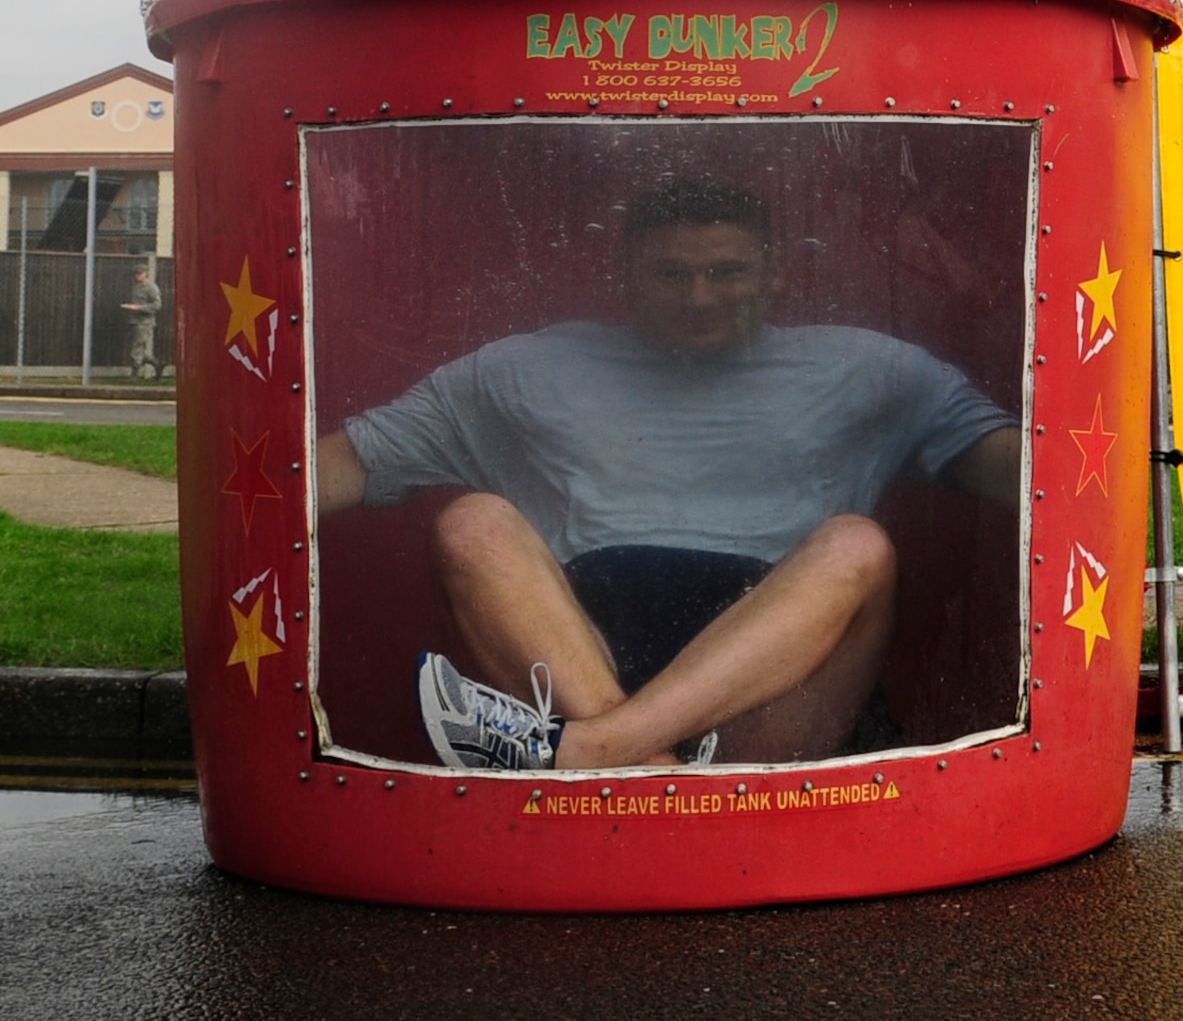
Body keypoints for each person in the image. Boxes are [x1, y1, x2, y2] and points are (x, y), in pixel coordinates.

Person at [316, 178, 1020, 776]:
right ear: (623, 279)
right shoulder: (520, 373)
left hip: (782, 686)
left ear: (775, 275)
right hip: (583, 661)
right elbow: (333, 469)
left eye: (727, 272)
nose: (700, 297)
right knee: (471, 522)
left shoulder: (872, 370)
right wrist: (226, 491)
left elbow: (1027, 471)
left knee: (857, 545)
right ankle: (650, 771)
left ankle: (584, 754)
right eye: (670, 274)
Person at [120, 263, 162, 380]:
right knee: (137, 348)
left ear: (146, 274)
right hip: (134, 320)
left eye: (140, 273)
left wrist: (140, 308)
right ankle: (156, 364)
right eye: (136, 273)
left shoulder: (151, 288)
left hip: (145, 322)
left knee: (137, 347)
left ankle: (135, 374)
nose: (137, 276)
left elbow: (157, 305)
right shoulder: (136, 286)